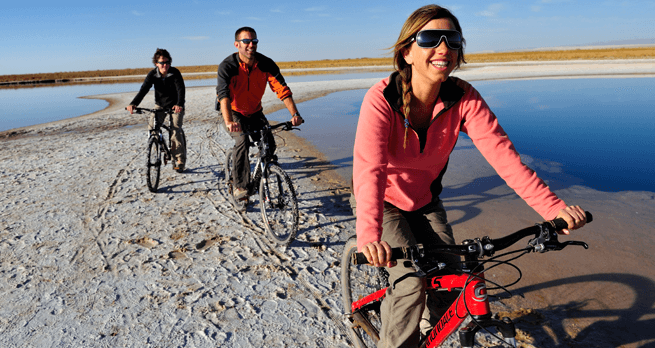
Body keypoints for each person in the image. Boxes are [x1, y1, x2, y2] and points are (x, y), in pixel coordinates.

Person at [352, 5, 588, 347]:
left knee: (455, 276)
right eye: (431, 38)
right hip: (384, 202)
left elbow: (506, 161)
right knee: (409, 283)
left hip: (425, 201)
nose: (444, 48)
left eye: (454, 40)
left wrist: (554, 210)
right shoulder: (382, 99)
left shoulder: (463, 98)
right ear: (407, 51)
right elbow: (369, 169)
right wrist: (370, 235)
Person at [217, 26, 304, 202]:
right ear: (237, 44)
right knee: (242, 141)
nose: (251, 45)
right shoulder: (228, 66)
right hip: (234, 112)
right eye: (246, 41)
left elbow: (282, 90)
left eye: (254, 41)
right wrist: (228, 121)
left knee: (269, 145)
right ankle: (240, 186)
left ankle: (262, 176)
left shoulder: (266, 64)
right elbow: (223, 97)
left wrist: (295, 114)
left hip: (255, 112)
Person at [127, 48, 187, 172]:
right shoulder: (152, 74)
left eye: (167, 62)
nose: (165, 65)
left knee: (175, 130)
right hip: (160, 105)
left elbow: (181, 89)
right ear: (156, 63)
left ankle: (179, 159)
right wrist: (133, 104)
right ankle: (159, 151)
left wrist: (179, 104)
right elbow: (144, 89)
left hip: (175, 105)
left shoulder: (175, 72)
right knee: (152, 129)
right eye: (162, 63)